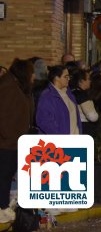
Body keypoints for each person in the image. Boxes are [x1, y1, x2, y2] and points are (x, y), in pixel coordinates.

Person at [0, 59, 34, 224]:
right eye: (31, 72)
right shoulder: (8, 88)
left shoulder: (16, 86)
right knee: (4, 176)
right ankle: (1, 207)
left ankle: (4, 205)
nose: (33, 76)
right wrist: (8, 136)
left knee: (7, 175)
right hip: (7, 143)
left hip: (14, 141)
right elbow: (4, 116)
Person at [36, 65, 82, 135]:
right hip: (59, 142)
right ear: (57, 78)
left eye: (69, 76)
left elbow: (76, 120)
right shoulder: (47, 96)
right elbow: (44, 122)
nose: (69, 79)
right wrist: (60, 138)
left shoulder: (69, 94)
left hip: (74, 141)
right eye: (65, 76)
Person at [70, 67, 98, 137]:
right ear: (81, 81)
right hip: (85, 129)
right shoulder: (82, 96)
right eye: (88, 79)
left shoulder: (71, 92)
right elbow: (92, 117)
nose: (90, 81)